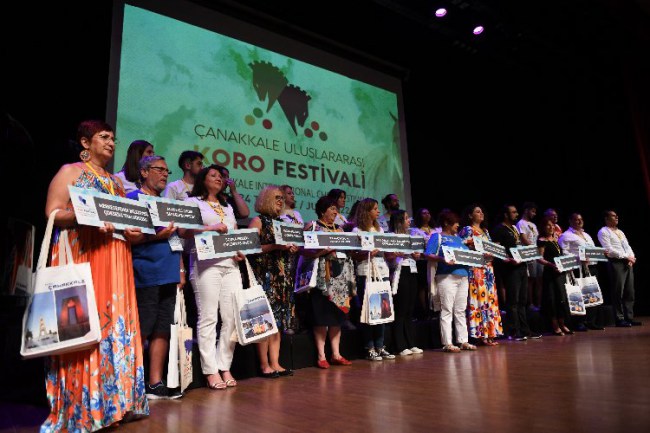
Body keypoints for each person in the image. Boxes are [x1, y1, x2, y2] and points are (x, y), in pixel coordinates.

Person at [42, 120, 148, 430]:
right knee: (86, 327)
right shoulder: (71, 172)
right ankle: (84, 406)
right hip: (84, 254)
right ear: (85, 143)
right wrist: (84, 215)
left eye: (113, 138)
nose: (111, 142)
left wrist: (134, 232)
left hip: (116, 257)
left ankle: (115, 404)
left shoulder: (116, 183)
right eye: (104, 137)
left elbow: (126, 227)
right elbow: (52, 212)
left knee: (114, 326)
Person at [178, 165, 245, 389]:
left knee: (231, 317)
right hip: (205, 263)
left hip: (230, 264)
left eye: (221, 177)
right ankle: (210, 370)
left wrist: (239, 250)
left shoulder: (227, 206)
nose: (219, 179)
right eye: (213, 175)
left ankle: (224, 365)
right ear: (202, 179)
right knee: (208, 317)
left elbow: (232, 233)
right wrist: (210, 228)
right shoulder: (192, 202)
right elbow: (183, 231)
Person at [127, 156, 184, 399]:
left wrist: (181, 269)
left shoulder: (166, 203)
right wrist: (156, 237)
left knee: (162, 328)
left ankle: (154, 383)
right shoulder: (132, 199)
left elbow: (174, 238)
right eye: (159, 169)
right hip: (146, 272)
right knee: (143, 327)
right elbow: (129, 238)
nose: (164, 174)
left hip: (169, 272)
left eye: (167, 171)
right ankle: (133, 384)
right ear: (143, 172)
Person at [297, 196, 356, 368]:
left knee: (337, 315)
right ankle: (321, 356)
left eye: (336, 209)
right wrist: (321, 252)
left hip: (340, 277)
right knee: (321, 316)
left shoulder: (340, 229)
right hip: (322, 277)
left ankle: (336, 354)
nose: (335, 212)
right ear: (322, 210)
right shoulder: (312, 226)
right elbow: (302, 250)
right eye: (332, 208)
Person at [249, 185, 299, 378]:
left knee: (278, 322)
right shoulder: (258, 221)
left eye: (282, 198)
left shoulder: (282, 223)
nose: (281, 201)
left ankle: (275, 363)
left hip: (282, 278)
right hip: (265, 277)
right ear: (266, 199)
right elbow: (251, 247)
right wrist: (275, 246)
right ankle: (264, 365)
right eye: (277, 197)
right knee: (264, 321)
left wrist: (291, 248)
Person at [425, 209, 477, 352]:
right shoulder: (437, 237)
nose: (458, 225)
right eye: (455, 223)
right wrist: (443, 259)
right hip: (446, 276)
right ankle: (447, 343)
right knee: (447, 309)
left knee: (460, 310)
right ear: (446, 223)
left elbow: (467, 256)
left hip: (463, 276)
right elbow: (428, 254)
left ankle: (463, 341)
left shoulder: (459, 239)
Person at [351, 198, 395, 361]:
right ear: (366, 211)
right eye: (375, 209)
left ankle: (380, 345)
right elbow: (354, 255)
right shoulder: (357, 230)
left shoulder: (379, 229)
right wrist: (368, 253)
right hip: (366, 271)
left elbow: (386, 251)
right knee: (369, 309)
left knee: (382, 309)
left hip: (382, 271)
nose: (378, 211)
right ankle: (369, 347)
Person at [458, 204, 503, 346]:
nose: (481, 213)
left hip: (488, 269)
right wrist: (475, 247)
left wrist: (494, 251)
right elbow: (462, 247)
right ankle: (481, 334)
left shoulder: (486, 231)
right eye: (477, 212)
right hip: (476, 269)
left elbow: (489, 248)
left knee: (490, 300)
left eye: (482, 211)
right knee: (480, 300)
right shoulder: (467, 229)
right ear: (470, 215)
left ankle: (491, 333)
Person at [491, 204, 537, 340]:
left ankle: (525, 330)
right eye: (513, 212)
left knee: (523, 300)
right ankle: (514, 331)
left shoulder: (515, 228)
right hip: (510, 269)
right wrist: (508, 260)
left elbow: (519, 245)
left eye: (516, 212)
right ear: (506, 214)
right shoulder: (499, 229)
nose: (516, 214)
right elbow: (497, 251)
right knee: (513, 301)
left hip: (521, 266)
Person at [558, 213, 605, 331]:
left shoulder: (586, 235)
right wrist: (578, 258)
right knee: (579, 295)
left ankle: (591, 321)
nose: (579, 221)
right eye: (576, 219)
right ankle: (579, 322)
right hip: (578, 268)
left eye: (581, 219)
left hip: (591, 267)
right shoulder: (566, 235)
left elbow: (591, 250)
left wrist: (600, 253)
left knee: (592, 295)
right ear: (570, 221)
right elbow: (563, 252)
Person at [387, 210, 423, 356]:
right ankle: (400, 345)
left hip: (412, 270)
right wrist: (398, 254)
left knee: (409, 308)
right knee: (400, 308)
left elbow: (417, 255)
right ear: (399, 221)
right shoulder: (391, 236)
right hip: (399, 271)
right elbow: (389, 256)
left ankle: (411, 343)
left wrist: (416, 255)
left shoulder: (410, 237)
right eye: (406, 218)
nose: (409, 220)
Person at [598, 210, 640, 327]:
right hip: (616, 262)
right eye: (613, 216)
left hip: (627, 262)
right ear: (606, 219)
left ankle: (629, 317)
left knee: (629, 292)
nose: (616, 217)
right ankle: (619, 318)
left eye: (616, 215)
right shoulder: (603, 231)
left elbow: (627, 246)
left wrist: (632, 257)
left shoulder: (620, 231)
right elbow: (609, 250)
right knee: (618, 291)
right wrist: (627, 256)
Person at [537, 216, 573, 335]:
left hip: (560, 273)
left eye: (552, 225)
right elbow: (539, 258)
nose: (551, 227)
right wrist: (551, 265)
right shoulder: (542, 241)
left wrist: (567, 264)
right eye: (548, 225)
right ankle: (555, 326)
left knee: (561, 299)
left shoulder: (555, 239)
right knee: (551, 299)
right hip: (550, 274)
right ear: (543, 227)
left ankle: (562, 324)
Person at [516, 202, 542, 311]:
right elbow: (523, 239)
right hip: (529, 254)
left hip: (536, 254)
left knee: (538, 279)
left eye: (535, 212)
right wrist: (533, 249)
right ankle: (530, 303)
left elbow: (537, 239)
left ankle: (538, 303)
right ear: (526, 210)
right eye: (532, 211)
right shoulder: (521, 223)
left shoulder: (533, 225)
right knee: (531, 279)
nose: (534, 214)